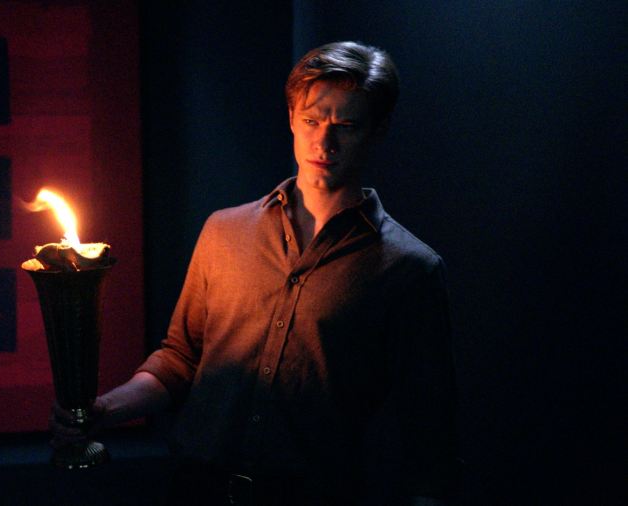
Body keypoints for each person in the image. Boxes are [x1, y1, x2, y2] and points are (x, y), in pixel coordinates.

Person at [52, 41, 459, 505]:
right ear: (291, 118)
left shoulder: (409, 269)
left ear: (378, 130)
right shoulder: (224, 231)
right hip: (198, 490)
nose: (324, 143)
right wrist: (103, 410)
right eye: (312, 121)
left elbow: (429, 426)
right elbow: (181, 358)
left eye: (346, 126)